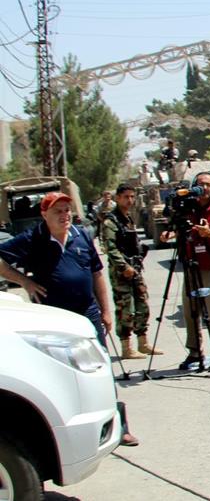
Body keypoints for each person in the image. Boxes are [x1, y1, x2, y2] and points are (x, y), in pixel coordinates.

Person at [0, 191, 139, 446]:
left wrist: (106, 311)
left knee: (100, 367)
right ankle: (68, 431)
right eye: (58, 211)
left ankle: (119, 425)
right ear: (44, 214)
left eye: (67, 210)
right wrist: (25, 282)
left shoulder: (81, 235)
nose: (64, 215)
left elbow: (97, 274)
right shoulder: (32, 238)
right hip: (53, 317)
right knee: (58, 372)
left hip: (86, 313)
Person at [161, 172, 210, 371]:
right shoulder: (189, 206)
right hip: (191, 266)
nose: (204, 188)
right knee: (190, 312)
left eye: (208, 184)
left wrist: (209, 233)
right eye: (201, 184)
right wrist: (170, 233)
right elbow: (182, 228)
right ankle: (194, 352)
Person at [104, 183, 162, 360]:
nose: (129, 200)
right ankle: (126, 347)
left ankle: (143, 343)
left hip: (134, 268)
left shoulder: (128, 218)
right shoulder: (111, 221)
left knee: (142, 304)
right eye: (126, 197)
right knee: (125, 309)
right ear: (117, 198)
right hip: (121, 272)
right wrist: (124, 267)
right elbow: (111, 248)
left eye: (132, 197)